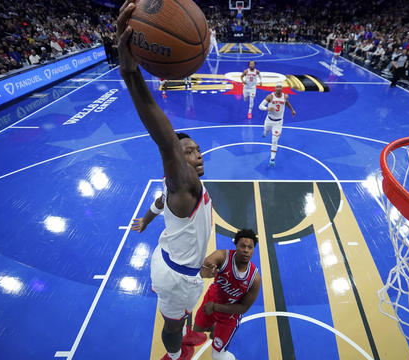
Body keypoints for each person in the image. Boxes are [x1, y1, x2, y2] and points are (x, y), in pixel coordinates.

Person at [118, 2, 213, 360]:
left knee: (182, 316)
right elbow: (166, 140)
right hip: (177, 278)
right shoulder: (184, 185)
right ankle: (173, 356)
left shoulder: (176, 191)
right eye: (189, 152)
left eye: (199, 150)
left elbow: (160, 203)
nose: (197, 155)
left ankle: (180, 332)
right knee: (172, 327)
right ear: (177, 162)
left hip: (174, 260)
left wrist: (145, 218)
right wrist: (130, 74)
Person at [183, 229, 262, 360]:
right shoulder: (222, 257)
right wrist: (204, 270)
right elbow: (204, 265)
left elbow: (243, 308)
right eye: (243, 246)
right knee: (196, 332)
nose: (246, 250)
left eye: (250, 247)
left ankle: (219, 332)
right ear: (236, 246)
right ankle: (214, 327)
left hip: (229, 315)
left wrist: (215, 307)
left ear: (254, 249)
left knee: (217, 355)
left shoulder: (255, 279)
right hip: (211, 300)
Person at [258, 82, 296, 166]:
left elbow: (287, 103)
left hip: (278, 122)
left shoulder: (285, 96)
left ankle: (272, 159)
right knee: (266, 131)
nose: (278, 88)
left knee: (274, 141)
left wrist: (292, 110)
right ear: (274, 88)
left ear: (282, 88)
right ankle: (265, 133)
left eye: (280, 87)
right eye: (277, 87)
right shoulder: (270, 96)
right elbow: (260, 106)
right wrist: (267, 108)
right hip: (269, 120)